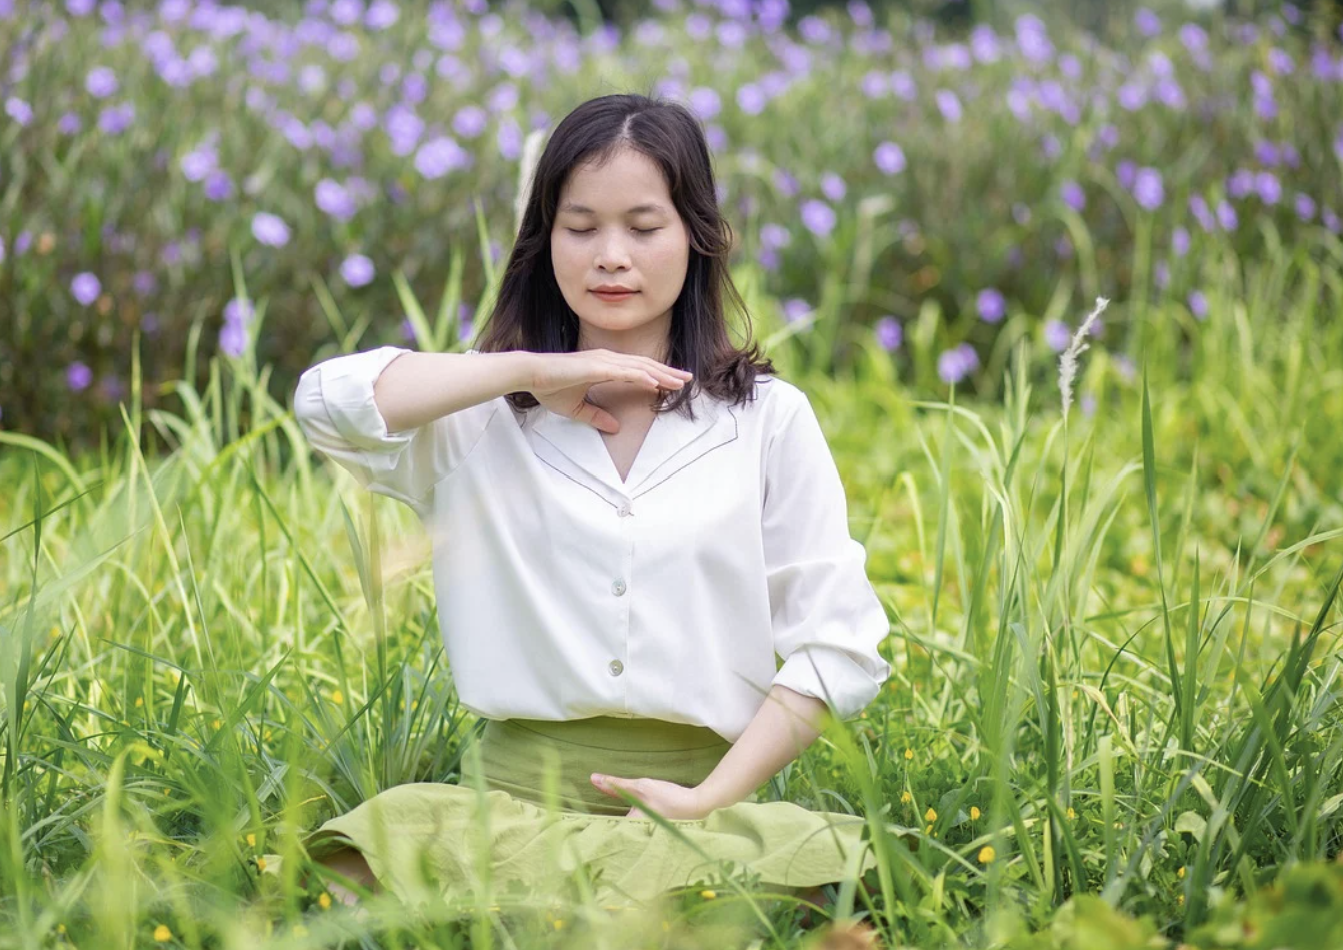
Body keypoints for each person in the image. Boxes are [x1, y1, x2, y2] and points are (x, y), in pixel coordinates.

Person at [287, 92, 893, 924]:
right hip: (501, 816)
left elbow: (835, 646)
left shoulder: (767, 422)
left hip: (707, 814)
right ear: (545, 243)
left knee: (842, 905)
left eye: (643, 227)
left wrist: (708, 798)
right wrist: (523, 371)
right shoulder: (480, 417)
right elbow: (328, 402)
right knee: (356, 881)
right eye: (581, 228)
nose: (612, 256)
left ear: (698, 238)